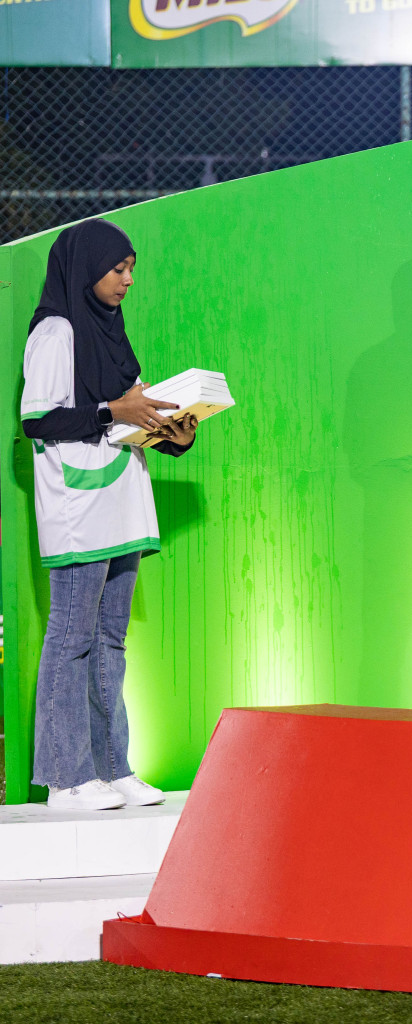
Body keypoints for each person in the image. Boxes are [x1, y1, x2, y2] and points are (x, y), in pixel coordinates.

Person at [21, 218, 198, 811]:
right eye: (117, 269)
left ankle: (112, 766)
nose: (127, 281)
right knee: (71, 637)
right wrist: (110, 409)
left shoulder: (112, 333)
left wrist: (175, 433)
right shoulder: (55, 332)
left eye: (131, 271)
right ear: (84, 267)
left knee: (110, 640)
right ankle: (65, 779)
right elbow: (39, 421)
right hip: (78, 508)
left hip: (121, 502)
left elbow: (130, 416)